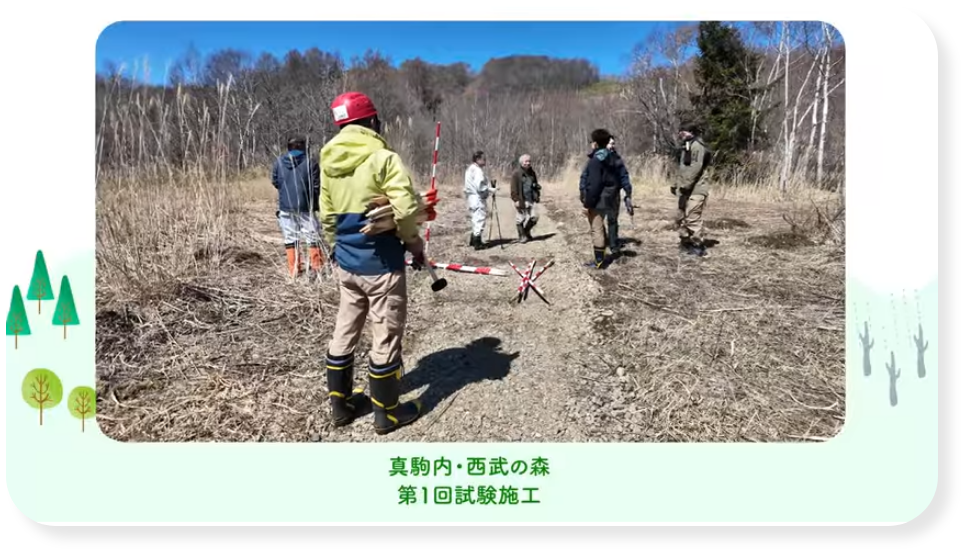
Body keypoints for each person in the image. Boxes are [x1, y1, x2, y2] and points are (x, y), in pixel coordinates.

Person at [317, 91, 425, 435]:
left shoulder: (327, 159)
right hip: (382, 265)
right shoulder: (383, 158)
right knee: (386, 335)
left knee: (344, 330)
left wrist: (338, 248)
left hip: (346, 264)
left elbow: (327, 215)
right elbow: (406, 209)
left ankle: (342, 406)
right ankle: (388, 414)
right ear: (372, 121)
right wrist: (413, 243)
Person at [271, 134, 323, 278]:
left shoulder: (279, 162)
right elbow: (317, 185)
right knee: (312, 236)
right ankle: (317, 269)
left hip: (285, 207)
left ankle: (294, 271)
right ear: (303, 147)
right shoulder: (310, 162)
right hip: (307, 206)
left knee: (290, 239)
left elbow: (275, 182)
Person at [580, 137, 634, 256]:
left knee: (612, 220)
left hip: (614, 196)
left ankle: (613, 245)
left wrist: (627, 192)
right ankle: (602, 244)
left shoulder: (617, 160)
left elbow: (624, 176)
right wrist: (583, 192)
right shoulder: (594, 159)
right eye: (610, 143)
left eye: (614, 143)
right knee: (597, 222)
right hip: (598, 196)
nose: (612, 146)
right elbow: (585, 176)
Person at [673, 121, 712, 257]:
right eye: (680, 132)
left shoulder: (697, 147)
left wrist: (685, 186)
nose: (680, 135)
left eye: (683, 132)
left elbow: (695, 168)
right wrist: (675, 184)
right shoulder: (687, 147)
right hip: (685, 190)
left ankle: (698, 246)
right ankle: (686, 243)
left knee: (692, 218)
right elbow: (683, 168)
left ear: (691, 132)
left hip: (696, 189)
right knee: (680, 217)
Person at [464, 150, 496, 250]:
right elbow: (480, 186)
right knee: (480, 218)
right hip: (477, 197)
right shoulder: (477, 171)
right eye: (483, 159)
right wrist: (491, 189)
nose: (485, 161)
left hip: (471, 197)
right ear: (478, 159)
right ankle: (477, 243)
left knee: (475, 218)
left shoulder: (470, 169)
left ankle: (473, 240)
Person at [509, 153, 541, 243]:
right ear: (521, 162)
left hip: (531, 198)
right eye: (526, 161)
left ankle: (526, 232)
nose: (528, 163)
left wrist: (537, 191)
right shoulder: (516, 174)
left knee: (535, 217)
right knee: (520, 218)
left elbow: (534, 184)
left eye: (529, 161)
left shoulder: (532, 172)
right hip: (521, 199)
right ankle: (521, 236)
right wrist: (516, 200)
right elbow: (513, 189)